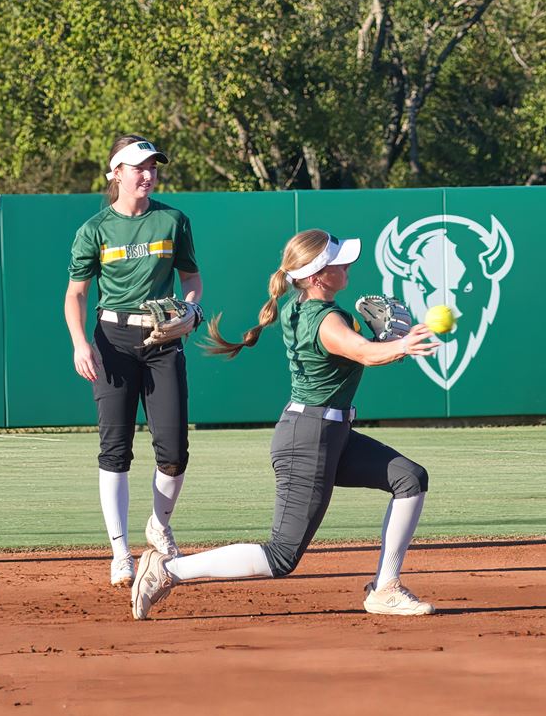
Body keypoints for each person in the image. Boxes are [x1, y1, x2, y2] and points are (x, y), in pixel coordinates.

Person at [129, 228, 439, 621]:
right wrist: (400, 345)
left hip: (329, 434)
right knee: (281, 556)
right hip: (309, 439)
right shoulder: (325, 319)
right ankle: (168, 570)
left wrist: (387, 344)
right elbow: (360, 351)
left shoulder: (301, 306)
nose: (346, 265)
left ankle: (386, 588)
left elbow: (356, 348)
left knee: (409, 478)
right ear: (316, 276)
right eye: (337, 261)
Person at [64, 136, 205, 589]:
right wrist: (79, 343)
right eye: (138, 167)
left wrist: (192, 310)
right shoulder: (95, 230)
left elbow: (192, 279)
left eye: (153, 167)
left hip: (162, 336)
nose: (148, 174)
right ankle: (120, 552)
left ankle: (159, 525)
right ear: (117, 173)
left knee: (174, 450)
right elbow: (77, 293)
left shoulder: (172, 220)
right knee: (115, 449)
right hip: (114, 339)